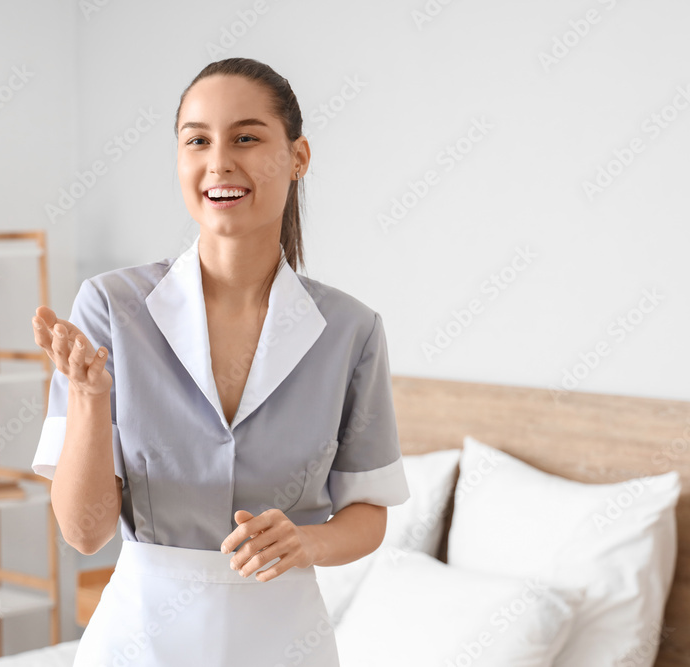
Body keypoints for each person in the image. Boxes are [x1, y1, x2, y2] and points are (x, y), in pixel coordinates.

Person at [29, 57, 410, 665]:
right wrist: (88, 400)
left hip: (285, 639)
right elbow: (84, 532)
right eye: (197, 140)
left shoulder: (350, 330)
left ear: (298, 157)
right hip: (141, 639)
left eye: (247, 138)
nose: (219, 162)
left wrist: (306, 541)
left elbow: (368, 512)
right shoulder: (110, 307)